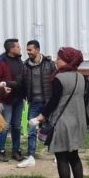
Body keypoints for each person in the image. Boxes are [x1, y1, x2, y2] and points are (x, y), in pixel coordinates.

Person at [33, 47, 87, 178]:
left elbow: (53, 102)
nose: (56, 61)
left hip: (63, 122)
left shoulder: (60, 78)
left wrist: (42, 115)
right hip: (78, 121)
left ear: (67, 60)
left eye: (59, 58)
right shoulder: (81, 77)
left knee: (61, 157)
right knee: (74, 156)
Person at [18, 40, 56, 168]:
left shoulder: (49, 64)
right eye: (27, 50)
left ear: (38, 50)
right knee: (31, 129)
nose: (27, 52)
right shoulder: (25, 66)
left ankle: (56, 154)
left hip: (48, 102)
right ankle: (31, 156)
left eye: (30, 50)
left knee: (52, 128)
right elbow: (22, 83)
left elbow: (56, 82)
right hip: (34, 102)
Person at [0, 38, 26, 162]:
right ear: (11, 49)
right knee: (5, 126)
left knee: (16, 126)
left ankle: (16, 150)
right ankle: (1, 151)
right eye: (18, 46)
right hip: (6, 100)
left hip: (18, 99)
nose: (20, 48)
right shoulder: (0, 62)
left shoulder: (19, 60)